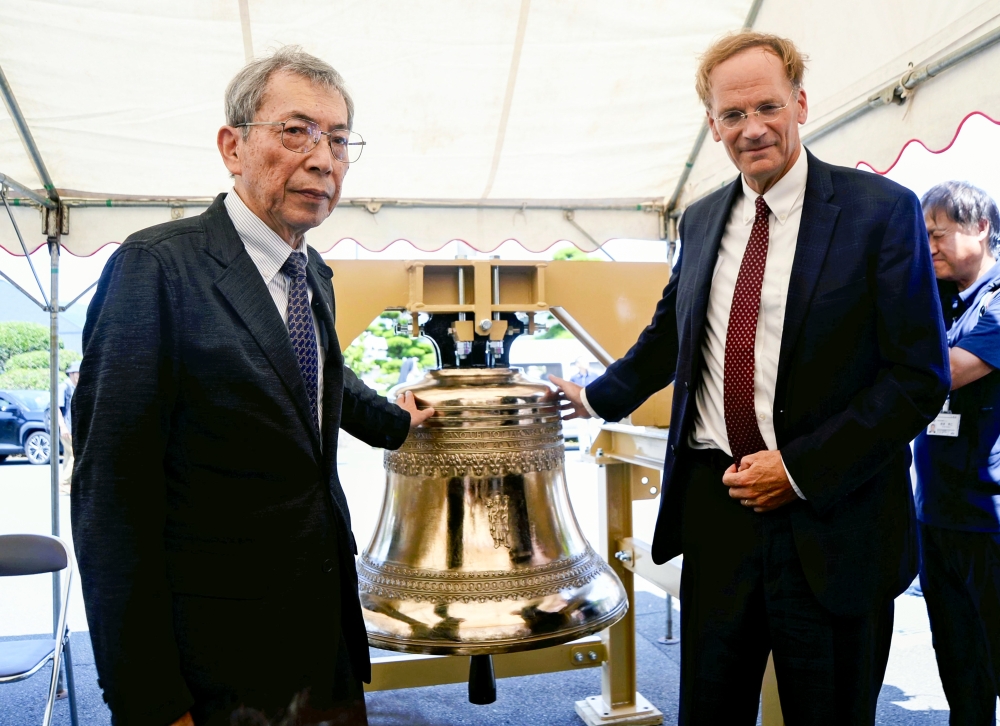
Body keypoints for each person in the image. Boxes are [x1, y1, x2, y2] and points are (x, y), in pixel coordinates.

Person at [550, 31, 949, 725]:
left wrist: (796, 469)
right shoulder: (704, 220)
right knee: (710, 709)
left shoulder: (881, 212)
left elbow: (917, 378)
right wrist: (595, 396)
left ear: (799, 103)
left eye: (767, 107)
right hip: (717, 514)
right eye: (733, 115)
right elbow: (670, 337)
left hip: (830, 516)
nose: (752, 128)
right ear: (712, 125)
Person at [72, 47, 433, 726]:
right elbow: (111, 497)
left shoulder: (312, 271)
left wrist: (401, 423)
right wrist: (149, 699)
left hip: (323, 635)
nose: (323, 159)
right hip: (216, 659)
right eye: (296, 132)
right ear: (233, 147)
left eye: (338, 139)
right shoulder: (157, 268)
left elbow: (320, 380)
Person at [913, 181, 1000, 725]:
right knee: (960, 670)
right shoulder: (938, 303)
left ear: (982, 228)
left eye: (938, 235)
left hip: (988, 522)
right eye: (922, 237)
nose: (929, 248)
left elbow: (940, 375)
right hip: (936, 516)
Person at [57, 361, 79, 493]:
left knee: (68, 455)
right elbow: (57, 408)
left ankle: (65, 484)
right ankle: (64, 483)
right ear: (71, 373)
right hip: (67, 428)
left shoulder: (74, 387)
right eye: (77, 373)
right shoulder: (64, 387)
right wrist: (63, 426)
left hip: (71, 428)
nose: (79, 376)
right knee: (73, 455)